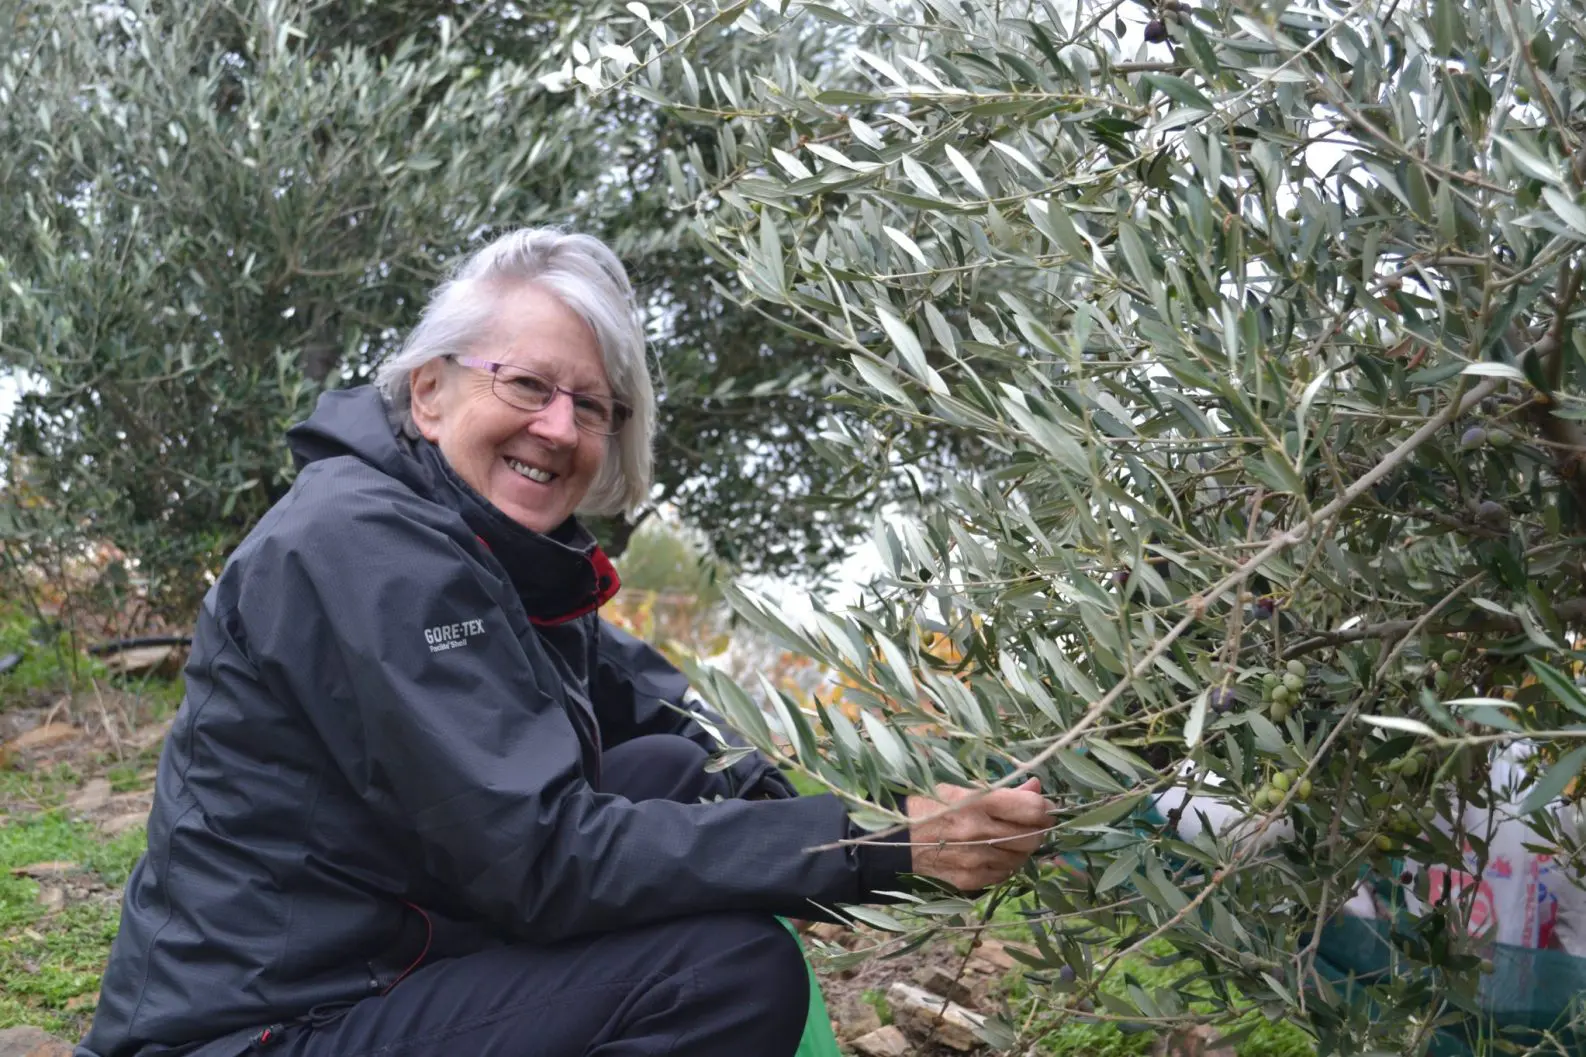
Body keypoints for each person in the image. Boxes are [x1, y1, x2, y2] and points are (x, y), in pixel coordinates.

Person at [77, 228, 1052, 1057]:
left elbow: (668, 716)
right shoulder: (362, 548)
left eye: (590, 405)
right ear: (429, 390)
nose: (558, 427)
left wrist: (823, 805)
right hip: (261, 1026)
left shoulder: (493, 547)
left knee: (672, 768)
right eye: (528, 384)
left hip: (386, 955)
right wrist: (875, 849)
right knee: (723, 974)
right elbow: (541, 859)